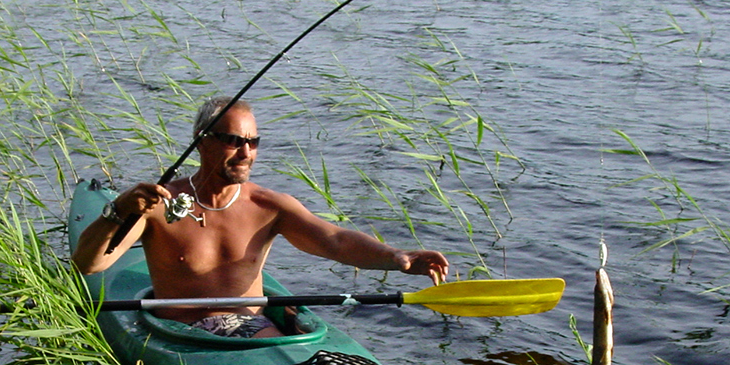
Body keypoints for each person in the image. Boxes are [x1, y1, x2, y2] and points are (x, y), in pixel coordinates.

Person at [72, 96, 450, 338]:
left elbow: (334, 240)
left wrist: (396, 258)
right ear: (202, 140)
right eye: (235, 141)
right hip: (178, 333)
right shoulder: (158, 202)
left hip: (252, 330)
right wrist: (116, 211)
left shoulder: (269, 206)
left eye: (253, 142)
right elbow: (89, 265)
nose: (246, 152)